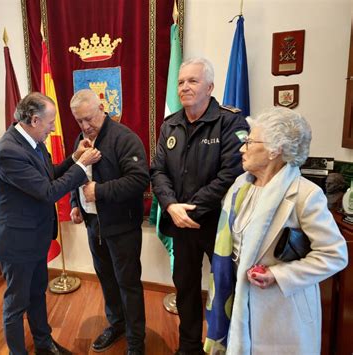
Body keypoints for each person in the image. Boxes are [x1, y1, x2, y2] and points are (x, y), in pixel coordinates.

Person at [204, 107, 348, 354]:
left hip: (280, 311)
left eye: (249, 141)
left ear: (275, 149)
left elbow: (335, 255)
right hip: (238, 297)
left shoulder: (305, 194)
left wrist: (278, 275)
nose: (242, 148)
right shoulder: (240, 187)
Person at [0, 92, 101, 355]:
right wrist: (83, 166)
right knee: (16, 303)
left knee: (38, 293)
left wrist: (74, 159)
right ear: (35, 119)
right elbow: (48, 192)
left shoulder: (32, 142)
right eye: (51, 122)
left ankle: (44, 343)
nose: (54, 128)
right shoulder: (8, 151)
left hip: (35, 237)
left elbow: (46, 176)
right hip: (16, 242)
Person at [150, 57, 249, 355]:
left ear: (210, 87)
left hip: (217, 225)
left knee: (225, 289)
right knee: (186, 287)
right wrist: (170, 206)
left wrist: (187, 208)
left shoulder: (231, 121)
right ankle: (189, 346)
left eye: (192, 81)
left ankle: (226, 346)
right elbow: (158, 171)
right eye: (181, 82)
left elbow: (231, 174)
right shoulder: (170, 125)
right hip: (180, 223)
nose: (184, 87)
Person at [69, 89, 149, 355]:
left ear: (101, 108)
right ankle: (116, 325)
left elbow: (139, 181)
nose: (85, 126)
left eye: (89, 119)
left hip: (122, 227)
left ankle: (136, 341)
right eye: (79, 121)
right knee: (106, 280)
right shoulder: (81, 140)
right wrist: (75, 204)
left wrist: (99, 192)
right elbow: (75, 175)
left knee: (128, 284)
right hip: (95, 226)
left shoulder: (125, 138)